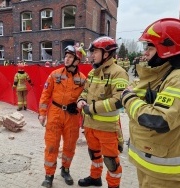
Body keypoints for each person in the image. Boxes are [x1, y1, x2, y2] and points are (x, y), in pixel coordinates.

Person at [120, 18, 180, 188]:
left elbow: (159, 120)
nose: (145, 52)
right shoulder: (165, 73)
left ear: (167, 48)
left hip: (164, 171)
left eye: (150, 47)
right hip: (153, 162)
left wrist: (128, 98)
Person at [76, 36, 129, 188]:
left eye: (95, 52)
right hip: (90, 125)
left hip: (107, 129)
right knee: (94, 155)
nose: (91, 55)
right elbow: (85, 91)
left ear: (106, 54)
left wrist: (91, 108)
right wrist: (81, 100)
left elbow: (118, 100)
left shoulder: (118, 73)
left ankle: (113, 186)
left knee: (111, 162)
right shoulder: (93, 73)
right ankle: (95, 178)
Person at [39, 45, 86, 188]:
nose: (66, 59)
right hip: (55, 113)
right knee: (51, 145)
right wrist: (42, 114)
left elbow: (86, 98)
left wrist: (80, 109)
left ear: (77, 60)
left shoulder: (83, 80)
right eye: (66, 56)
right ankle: (49, 175)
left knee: (70, 146)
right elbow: (45, 94)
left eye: (70, 57)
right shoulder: (55, 74)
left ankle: (65, 170)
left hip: (72, 117)